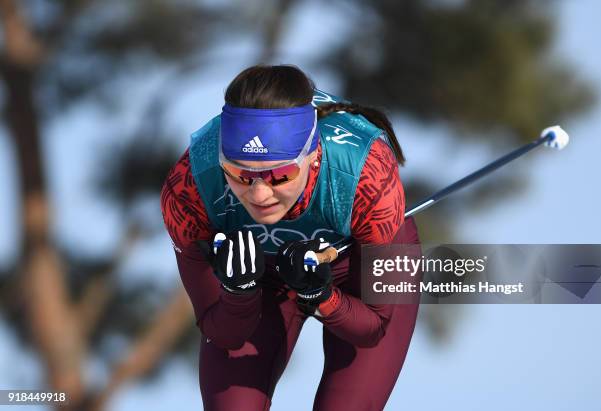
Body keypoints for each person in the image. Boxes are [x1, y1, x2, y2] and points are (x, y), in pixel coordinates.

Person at [160, 64, 420, 410]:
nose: (258, 195)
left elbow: (371, 328)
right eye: (238, 174)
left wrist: (321, 294)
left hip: (356, 267)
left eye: (279, 176)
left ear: (311, 156)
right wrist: (239, 292)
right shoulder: (190, 184)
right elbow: (223, 334)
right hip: (264, 277)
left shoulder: (366, 173)